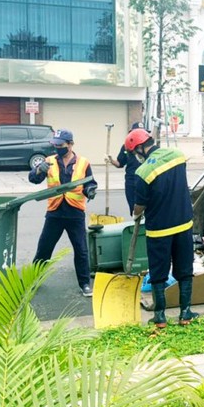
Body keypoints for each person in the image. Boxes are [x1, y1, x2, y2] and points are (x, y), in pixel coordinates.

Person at [125, 127, 198, 328]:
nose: (135, 157)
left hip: (159, 230)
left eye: (134, 153)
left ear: (139, 148)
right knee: (184, 268)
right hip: (184, 223)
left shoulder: (142, 172)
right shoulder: (177, 155)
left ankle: (160, 317)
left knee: (158, 272)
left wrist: (136, 214)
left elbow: (140, 205)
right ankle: (185, 313)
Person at [29, 128, 97, 297]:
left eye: (61, 145)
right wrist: (39, 170)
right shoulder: (49, 161)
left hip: (75, 212)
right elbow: (33, 179)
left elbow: (90, 183)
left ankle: (85, 284)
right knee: (44, 248)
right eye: (55, 144)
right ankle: (33, 281)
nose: (57, 148)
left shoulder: (83, 162)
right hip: (55, 212)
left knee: (81, 250)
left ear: (70, 144)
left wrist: (90, 191)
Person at [106, 121, 146, 214]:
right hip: (131, 182)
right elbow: (120, 163)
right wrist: (111, 160)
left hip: (144, 180)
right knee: (133, 209)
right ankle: (135, 226)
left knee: (146, 208)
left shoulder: (146, 147)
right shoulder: (126, 146)